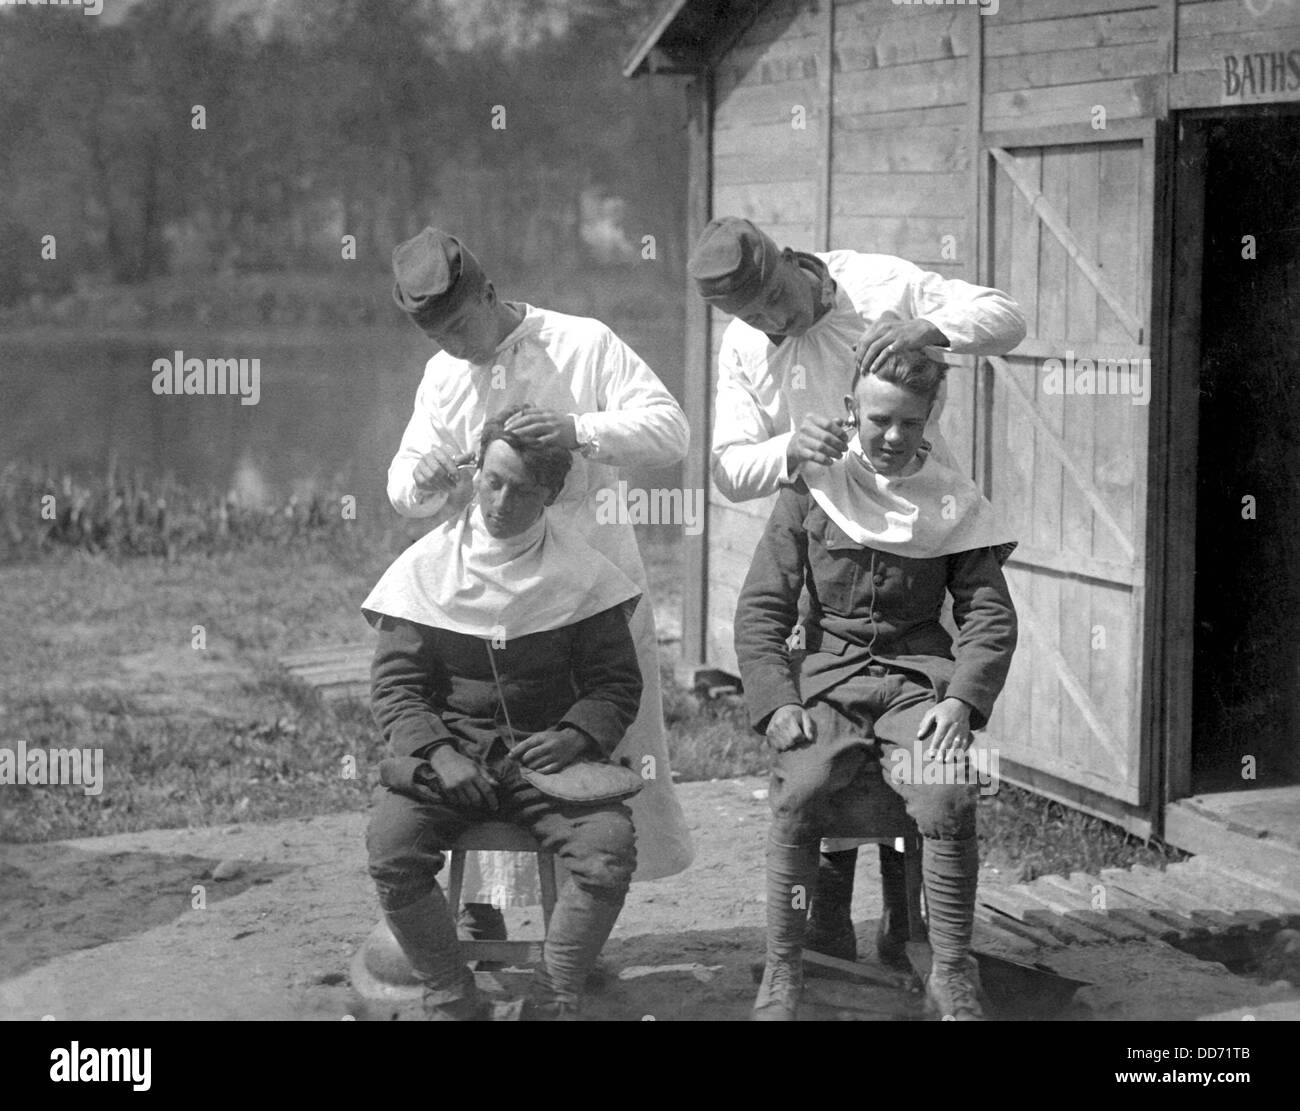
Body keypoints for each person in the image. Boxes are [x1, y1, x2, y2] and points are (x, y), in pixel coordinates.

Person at [688, 215, 1026, 969]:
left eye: (776, 298)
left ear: (788, 260)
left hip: (926, 532)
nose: (774, 320)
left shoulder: (877, 283)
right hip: (831, 534)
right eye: (754, 314)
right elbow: (728, 466)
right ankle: (826, 929)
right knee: (828, 740)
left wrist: (929, 326)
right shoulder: (746, 343)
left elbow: (1007, 317)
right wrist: (787, 447)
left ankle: (913, 935)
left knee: (926, 747)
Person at [385, 227, 694, 944]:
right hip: (497, 599)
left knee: (595, 752)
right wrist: (423, 479)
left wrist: (578, 429)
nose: (456, 347)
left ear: (489, 293)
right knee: (499, 744)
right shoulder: (442, 376)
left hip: (592, 596)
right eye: (439, 336)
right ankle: (492, 921)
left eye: (462, 326)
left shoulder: (583, 344)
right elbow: (404, 484)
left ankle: (580, 928)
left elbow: (671, 432)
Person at [734, 349, 1019, 1021]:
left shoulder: (950, 499)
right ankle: (783, 968)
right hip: (828, 681)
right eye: (880, 419)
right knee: (800, 789)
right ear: (852, 410)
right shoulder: (813, 486)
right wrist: (776, 700)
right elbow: (762, 606)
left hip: (916, 687)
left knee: (947, 793)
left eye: (910, 422)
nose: (893, 437)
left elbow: (989, 613)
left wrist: (960, 698)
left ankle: (951, 970)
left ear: (930, 419)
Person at [364, 409, 644, 1020]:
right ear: (476, 474)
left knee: (608, 850)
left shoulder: (583, 574)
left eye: (520, 489)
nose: (500, 501)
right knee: (391, 846)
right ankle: (449, 993)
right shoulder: (426, 570)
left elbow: (616, 684)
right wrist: (439, 754)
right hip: (450, 760)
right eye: (492, 481)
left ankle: (552, 995)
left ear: (549, 492)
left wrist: (573, 737)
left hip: (548, 766)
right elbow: (395, 688)